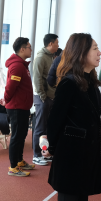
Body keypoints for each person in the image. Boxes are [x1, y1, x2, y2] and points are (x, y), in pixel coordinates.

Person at [46, 34, 101, 201]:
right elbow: (54, 123)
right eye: (95, 49)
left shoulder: (89, 82)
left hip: (86, 158)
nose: (99, 52)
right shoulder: (69, 84)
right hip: (71, 160)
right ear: (81, 53)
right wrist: (56, 151)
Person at [3, 37, 36, 177]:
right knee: (16, 137)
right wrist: (6, 100)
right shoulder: (17, 66)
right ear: (22, 49)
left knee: (22, 135)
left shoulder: (22, 65)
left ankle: (19, 161)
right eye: (29, 47)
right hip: (16, 108)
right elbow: (10, 87)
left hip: (22, 107)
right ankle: (13, 167)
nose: (31, 50)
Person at [32, 34, 59, 166]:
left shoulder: (51, 57)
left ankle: (45, 153)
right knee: (40, 128)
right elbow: (37, 79)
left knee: (47, 128)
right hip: (42, 97)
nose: (58, 45)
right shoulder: (41, 57)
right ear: (50, 44)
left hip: (50, 96)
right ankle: (36, 155)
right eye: (56, 43)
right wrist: (43, 96)